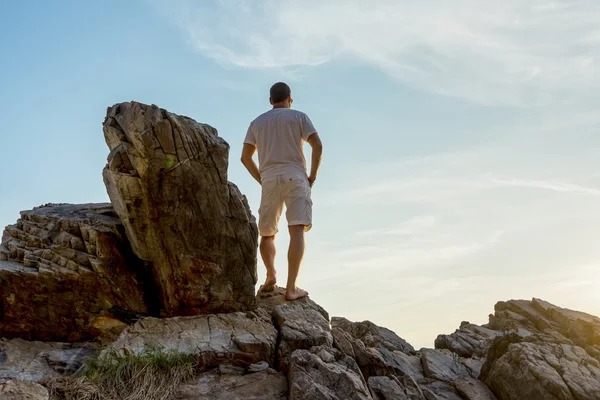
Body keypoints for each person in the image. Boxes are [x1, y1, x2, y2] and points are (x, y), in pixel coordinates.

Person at [241, 82, 323, 301]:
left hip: (269, 179)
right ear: (290, 98)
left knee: (267, 232)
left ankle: (270, 275)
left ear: (270, 101)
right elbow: (317, 145)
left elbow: (245, 158)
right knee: (296, 230)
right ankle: (291, 288)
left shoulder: (257, 123)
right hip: (295, 176)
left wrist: (262, 179)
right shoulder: (299, 117)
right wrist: (312, 175)